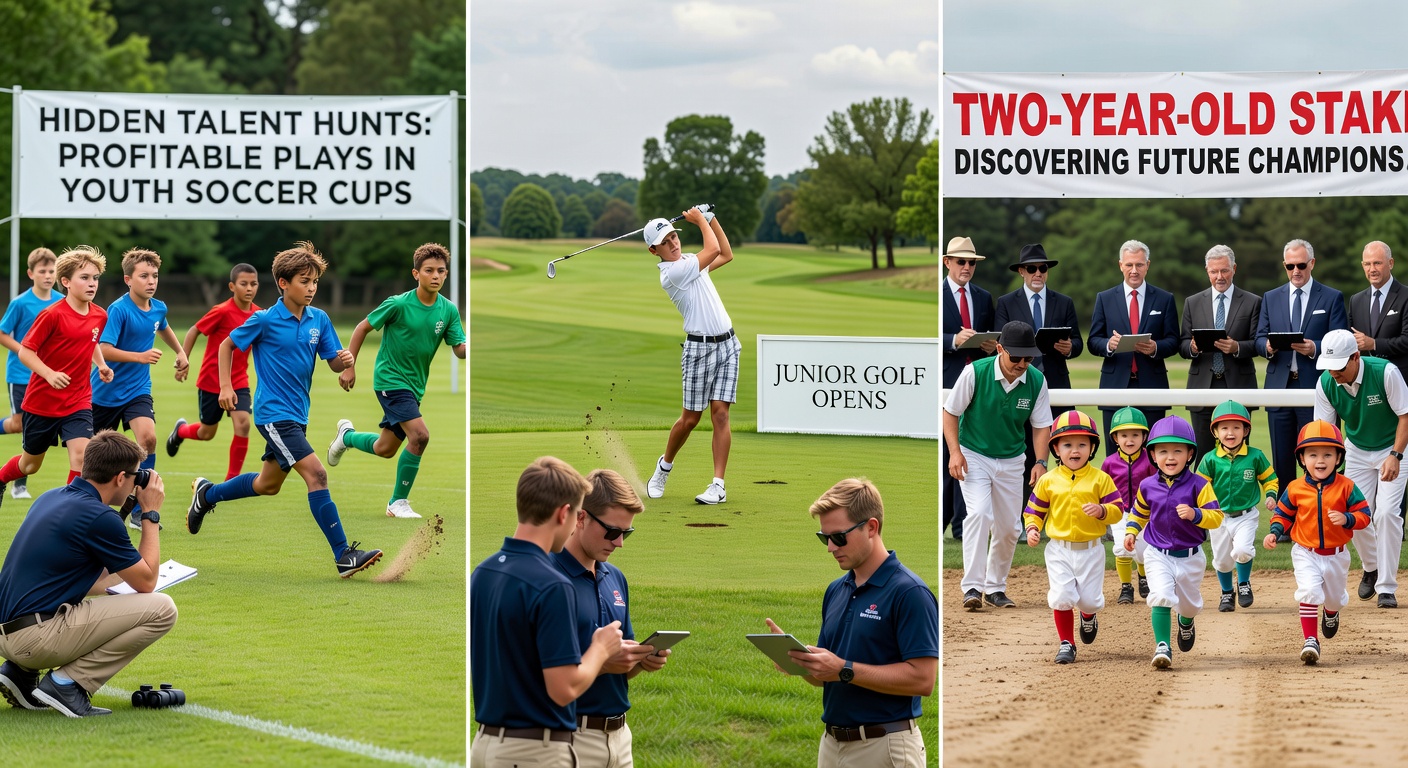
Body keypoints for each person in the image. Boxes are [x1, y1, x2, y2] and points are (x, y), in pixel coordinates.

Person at [184, 242, 381, 578]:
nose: (312, 288)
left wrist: (344, 362)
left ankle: (208, 493)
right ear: (283, 283)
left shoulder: (320, 318)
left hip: (298, 414)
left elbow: (332, 362)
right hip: (274, 414)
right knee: (317, 474)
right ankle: (343, 554)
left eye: (315, 281)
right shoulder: (264, 320)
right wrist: (227, 386)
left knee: (267, 484)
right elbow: (226, 345)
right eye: (305, 281)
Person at [0, 430, 176, 717]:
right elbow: (147, 582)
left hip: (7, 635)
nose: (136, 483)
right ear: (120, 478)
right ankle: (67, 683)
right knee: (163, 609)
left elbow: (94, 580)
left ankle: (20, 674)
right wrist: (150, 514)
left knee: (99, 599)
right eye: (134, 477)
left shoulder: (52, 497)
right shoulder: (99, 516)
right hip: (35, 638)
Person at [764, 478, 937, 768]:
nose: (830, 547)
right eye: (824, 538)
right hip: (831, 747)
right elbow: (825, 678)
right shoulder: (836, 589)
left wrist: (844, 669)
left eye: (838, 537)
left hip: (885, 748)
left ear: (871, 527)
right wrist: (799, 663)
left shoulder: (910, 592)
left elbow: (923, 679)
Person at [470, 457, 624, 768]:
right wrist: (599, 649)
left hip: (484, 746)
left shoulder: (483, 572)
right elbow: (564, 688)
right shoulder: (553, 584)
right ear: (564, 513)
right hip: (533, 753)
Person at [327, 243, 466, 519]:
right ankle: (397, 502)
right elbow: (362, 327)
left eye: (441, 271)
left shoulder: (448, 310)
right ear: (416, 273)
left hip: (415, 387)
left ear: (446, 274)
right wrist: (349, 366)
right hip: (390, 380)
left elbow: (459, 349)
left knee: (386, 448)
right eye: (429, 270)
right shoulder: (398, 303)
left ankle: (347, 437)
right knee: (420, 435)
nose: (435, 276)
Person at [551, 469, 669, 767]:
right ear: (580, 518)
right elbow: (531, 676)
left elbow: (621, 668)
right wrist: (601, 664)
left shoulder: (615, 578)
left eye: (626, 533)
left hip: (619, 741)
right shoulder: (546, 578)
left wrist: (640, 661)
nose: (619, 543)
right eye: (613, 532)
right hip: (567, 739)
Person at [943, 321, 1053, 610]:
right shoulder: (975, 372)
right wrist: (955, 453)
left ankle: (995, 588)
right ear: (1000, 349)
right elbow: (950, 412)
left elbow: (1041, 426)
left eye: (1028, 358)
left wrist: (1040, 462)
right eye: (1015, 357)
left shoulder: (1036, 380)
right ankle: (972, 587)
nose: (1021, 364)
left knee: (1009, 527)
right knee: (979, 513)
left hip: (1013, 458)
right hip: (974, 453)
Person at [0, 246, 112, 502]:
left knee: (82, 457)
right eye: (84, 277)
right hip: (42, 403)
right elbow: (26, 352)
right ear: (66, 282)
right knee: (30, 466)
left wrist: (102, 364)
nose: (92, 283)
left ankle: (68, 510)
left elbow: (90, 340)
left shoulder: (99, 315)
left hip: (78, 400)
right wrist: (49, 374)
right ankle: (1, 479)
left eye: (95, 278)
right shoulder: (51, 314)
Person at [644, 205, 739, 506]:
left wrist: (711, 219)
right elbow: (711, 248)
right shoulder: (673, 273)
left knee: (721, 414)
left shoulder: (688, 261)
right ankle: (664, 467)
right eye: (666, 242)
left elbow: (725, 253)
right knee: (690, 419)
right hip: (698, 349)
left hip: (728, 344)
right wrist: (699, 220)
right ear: (653, 251)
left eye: (674, 236)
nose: (673, 243)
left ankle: (718, 485)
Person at [91, 249, 189, 525]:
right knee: (93, 456)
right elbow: (104, 349)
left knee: (148, 439)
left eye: (154, 276)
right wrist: (140, 357)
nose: (151, 281)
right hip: (104, 394)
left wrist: (181, 352)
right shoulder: (119, 310)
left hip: (137, 390)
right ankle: (88, 508)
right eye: (144, 276)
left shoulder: (158, 307)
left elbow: (163, 326)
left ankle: (139, 509)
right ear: (128, 279)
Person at [1312, 328, 1408, 608]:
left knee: (1388, 513)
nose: (1334, 374)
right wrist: (1325, 472)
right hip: (1356, 450)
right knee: (1355, 514)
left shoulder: (1386, 372)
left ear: (1355, 357)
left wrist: (1395, 455)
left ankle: (1387, 587)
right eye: (1328, 368)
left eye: (1338, 367)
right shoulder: (1326, 384)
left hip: (1394, 446)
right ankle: (1372, 566)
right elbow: (1326, 433)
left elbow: (1405, 416)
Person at [1263, 421, 1371, 665]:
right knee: (1310, 591)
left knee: (1333, 599)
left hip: (1337, 554)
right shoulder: (1295, 488)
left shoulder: (1347, 487)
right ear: (1302, 458)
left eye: (1327, 454)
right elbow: (1283, 514)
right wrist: (1274, 531)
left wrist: (1347, 518)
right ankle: (1310, 640)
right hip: (1305, 552)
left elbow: (1365, 515)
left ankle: (1331, 612)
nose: (1320, 460)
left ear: (1338, 458)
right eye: (1312, 454)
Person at [1022, 411, 1122, 664]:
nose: (1074, 450)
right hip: (1059, 549)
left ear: (1092, 448)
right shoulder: (1048, 480)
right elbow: (1034, 510)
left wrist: (1102, 511)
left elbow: (1118, 510)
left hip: (1091, 549)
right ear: (1055, 448)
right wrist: (1033, 528)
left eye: (1082, 444)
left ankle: (1088, 616)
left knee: (1089, 601)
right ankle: (1066, 643)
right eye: (1067, 444)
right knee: (1062, 596)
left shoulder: (1101, 479)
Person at [1256, 238, 1348, 511]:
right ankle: (1285, 519)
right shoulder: (1271, 297)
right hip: (1279, 389)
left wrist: (1314, 348)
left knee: (1318, 455)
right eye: (1289, 266)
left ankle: (1319, 514)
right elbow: (1259, 337)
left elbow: (1339, 339)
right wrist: (1268, 346)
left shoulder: (1331, 297)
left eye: (1301, 265)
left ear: (1312, 263)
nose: (1295, 271)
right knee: (1282, 458)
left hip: (1316, 388)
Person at [1123, 416, 1222, 669]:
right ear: (1153, 455)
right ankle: (1162, 647)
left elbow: (1217, 518)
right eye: (1163, 451)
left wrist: (1195, 514)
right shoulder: (1147, 486)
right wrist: (1131, 532)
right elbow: (1139, 512)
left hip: (1190, 557)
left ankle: (1186, 621)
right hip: (1157, 553)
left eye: (1178, 450)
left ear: (1190, 454)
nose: (1170, 457)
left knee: (1188, 606)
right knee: (1160, 596)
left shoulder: (1200, 485)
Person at [996, 242, 1082, 507]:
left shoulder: (1064, 302)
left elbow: (1078, 342)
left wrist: (1069, 348)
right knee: (1022, 448)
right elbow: (1000, 344)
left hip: (1057, 382)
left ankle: (1064, 509)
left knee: (1066, 446)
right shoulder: (1006, 303)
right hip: (1020, 383)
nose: (1038, 273)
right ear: (1021, 271)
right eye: (1032, 268)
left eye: (1042, 268)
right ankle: (1023, 513)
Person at [165, 263, 261, 481]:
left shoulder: (259, 315)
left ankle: (231, 480)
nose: (249, 288)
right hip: (211, 381)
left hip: (238, 381)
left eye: (253, 284)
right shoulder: (222, 311)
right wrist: (184, 359)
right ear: (232, 286)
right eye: (243, 284)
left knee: (243, 423)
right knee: (207, 433)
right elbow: (194, 330)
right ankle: (180, 432)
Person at [1088, 240, 1180, 448]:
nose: (1134, 270)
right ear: (1120, 265)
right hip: (1115, 386)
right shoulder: (1105, 298)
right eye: (1129, 265)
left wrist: (1156, 348)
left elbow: (1174, 341)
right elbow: (1093, 341)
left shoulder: (1165, 299)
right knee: (1115, 455)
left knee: (1154, 452)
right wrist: (1109, 345)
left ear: (1148, 265)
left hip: (1152, 385)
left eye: (1139, 265)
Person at [1178, 245, 1262, 461]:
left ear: (1234, 268)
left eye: (1224, 270)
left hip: (1238, 385)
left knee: (1239, 455)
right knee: (1203, 455)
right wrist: (1193, 348)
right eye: (1214, 271)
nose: (1219, 276)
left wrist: (1237, 347)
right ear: (1207, 271)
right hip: (1201, 387)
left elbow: (1258, 342)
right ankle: (1204, 496)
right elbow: (1183, 344)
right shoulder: (1192, 302)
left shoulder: (1253, 302)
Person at [1195, 401, 1277, 612]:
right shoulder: (1210, 459)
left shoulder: (1255, 456)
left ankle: (1243, 584)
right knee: (1222, 562)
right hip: (1218, 517)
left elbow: (1270, 479)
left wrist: (1270, 494)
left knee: (1242, 550)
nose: (1230, 433)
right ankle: (1226, 592)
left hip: (1246, 515)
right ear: (1215, 432)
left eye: (1236, 427)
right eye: (1224, 428)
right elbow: (1198, 487)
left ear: (1246, 430)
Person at [942, 236, 995, 542]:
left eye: (971, 262)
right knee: (949, 453)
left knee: (971, 452)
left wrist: (989, 345)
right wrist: (953, 339)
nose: (966, 267)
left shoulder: (984, 297)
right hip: (947, 382)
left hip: (977, 383)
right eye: (960, 261)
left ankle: (964, 527)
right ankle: (943, 522)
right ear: (947, 262)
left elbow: (988, 342)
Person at [0, 247, 62, 500]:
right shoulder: (20, 303)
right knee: (21, 424)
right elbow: (3, 334)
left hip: (49, 375)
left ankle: (18, 484)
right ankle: (18, 484)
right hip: (21, 374)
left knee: (29, 425)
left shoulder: (62, 300)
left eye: (52, 271)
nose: (48, 275)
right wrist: (26, 350)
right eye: (42, 271)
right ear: (30, 273)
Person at [1102, 407, 1155, 605]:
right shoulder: (1109, 463)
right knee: (1122, 548)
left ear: (1144, 437)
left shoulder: (1150, 461)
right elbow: (1102, 487)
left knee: (1143, 552)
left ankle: (1143, 576)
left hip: (1144, 513)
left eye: (1135, 435)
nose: (1129, 440)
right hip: (1120, 512)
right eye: (1124, 435)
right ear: (1115, 438)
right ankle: (1126, 586)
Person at [1349, 240, 1408, 374]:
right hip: (1366, 381)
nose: (1372, 269)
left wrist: (1374, 344)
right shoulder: (1355, 301)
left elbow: (1406, 340)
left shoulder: (1406, 296)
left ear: (1391, 263)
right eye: (1367, 264)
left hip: (1401, 378)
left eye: (1377, 263)